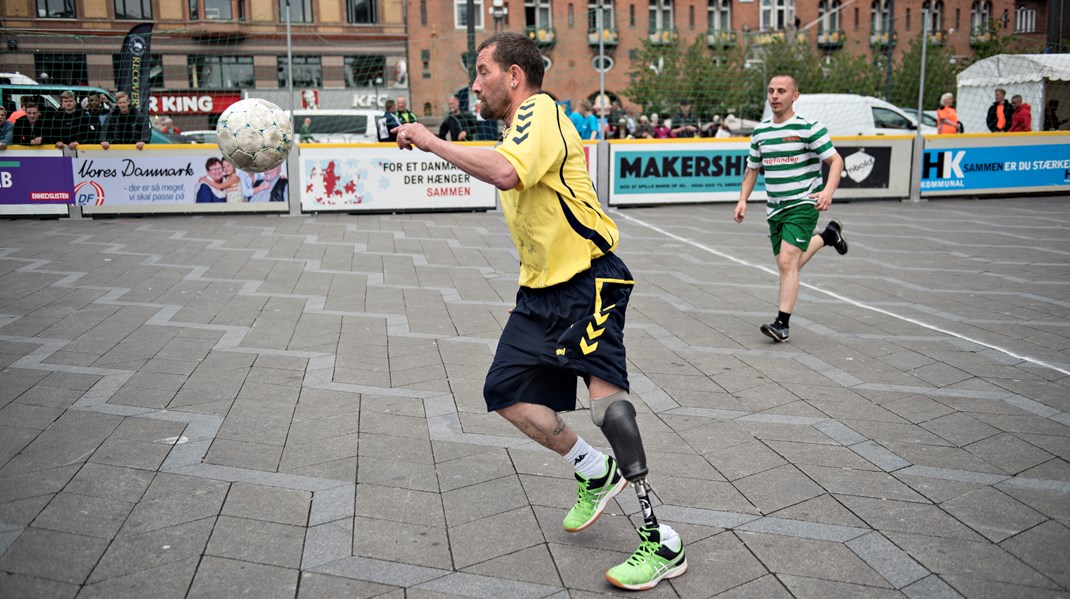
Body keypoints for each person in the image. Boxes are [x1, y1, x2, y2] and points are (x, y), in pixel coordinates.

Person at [391, 32, 687, 591]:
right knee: (504, 392)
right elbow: (528, 206)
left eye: (482, 71)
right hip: (540, 293)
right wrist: (527, 285)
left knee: (609, 410)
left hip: (590, 283)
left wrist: (431, 140)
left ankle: (661, 542)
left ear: (514, 77)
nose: (475, 83)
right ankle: (592, 470)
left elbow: (507, 174)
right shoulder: (511, 131)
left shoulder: (541, 112)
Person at [734, 74, 848, 343]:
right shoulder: (761, 132)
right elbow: (752, 169)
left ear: (794, 96)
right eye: (771, 91)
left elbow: (836, 161)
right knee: (788, 265)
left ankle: (781, 324)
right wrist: (742, 200)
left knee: (787, 263)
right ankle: (827, 237)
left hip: (803, 204)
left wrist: (828, 191)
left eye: (781, 91)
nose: (774, 96)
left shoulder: (809, 128)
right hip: (775, 209)